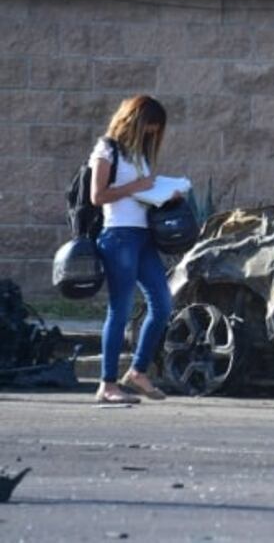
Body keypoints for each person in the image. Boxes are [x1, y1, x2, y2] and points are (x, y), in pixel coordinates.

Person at [90, 95, 173, 404]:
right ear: (136, 120)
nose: (154, 133)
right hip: (119, 236)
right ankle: (107, 384)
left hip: (144, 236)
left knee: (163, 304)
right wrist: (136, 187)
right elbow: (97, 196)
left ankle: (137, 372)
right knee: (121, 309)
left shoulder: (140, 153)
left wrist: (164, 192)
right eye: (151, 126)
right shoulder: (106, 148)